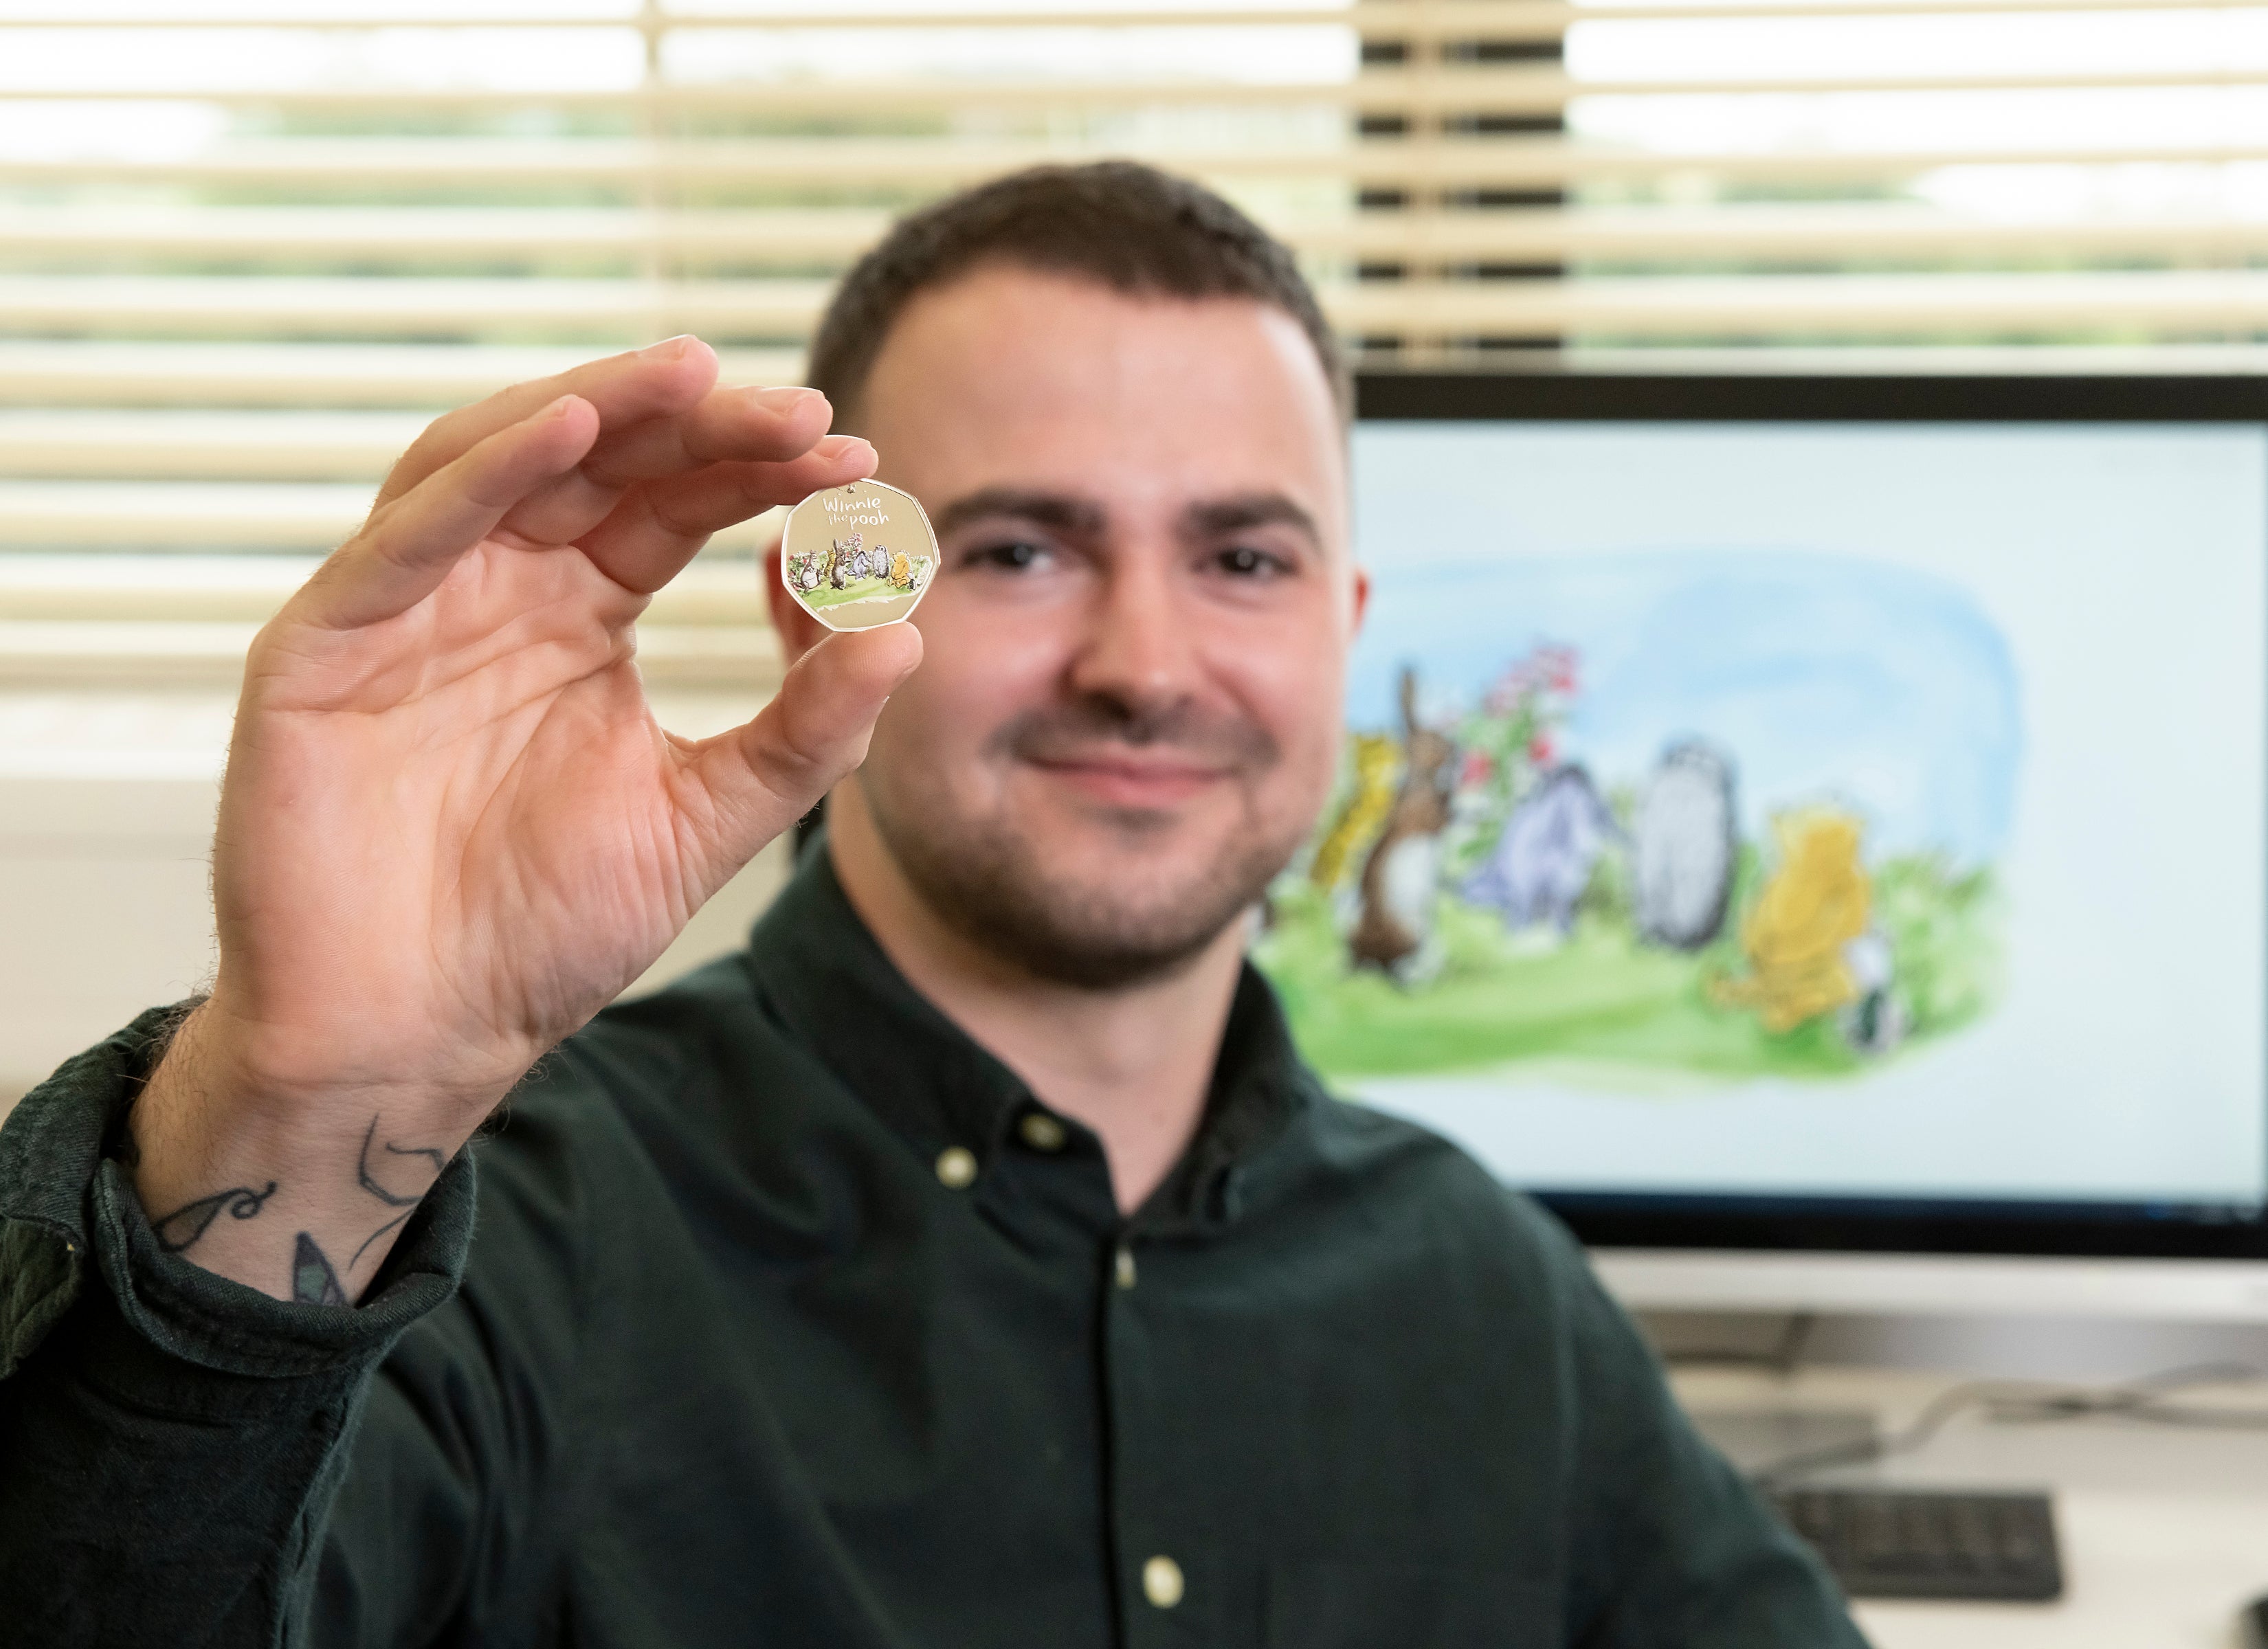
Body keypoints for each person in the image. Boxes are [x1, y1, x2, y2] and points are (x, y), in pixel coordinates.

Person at [0, 162, 1866, 1647]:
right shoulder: (518, 1243)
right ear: (831, 605)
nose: (1144, 663)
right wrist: (306, 1099)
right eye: (1020, 549)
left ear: (1339, 635)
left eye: (1239, 555)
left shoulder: (1477, 1290)